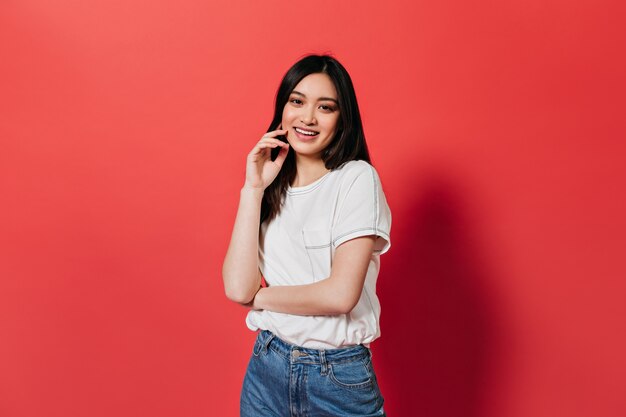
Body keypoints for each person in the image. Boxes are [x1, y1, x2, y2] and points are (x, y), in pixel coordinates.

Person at [222, 54, 391, 417]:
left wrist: (262, 298)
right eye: (297, 101)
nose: (308, 118)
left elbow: (340, 295)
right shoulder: (269, 188)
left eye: (325, 107)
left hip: (337, 378)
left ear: (342, 118)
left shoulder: (356, 179)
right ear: (283, 109)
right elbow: (237, 289)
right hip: (267, 368)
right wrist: (252, 190)